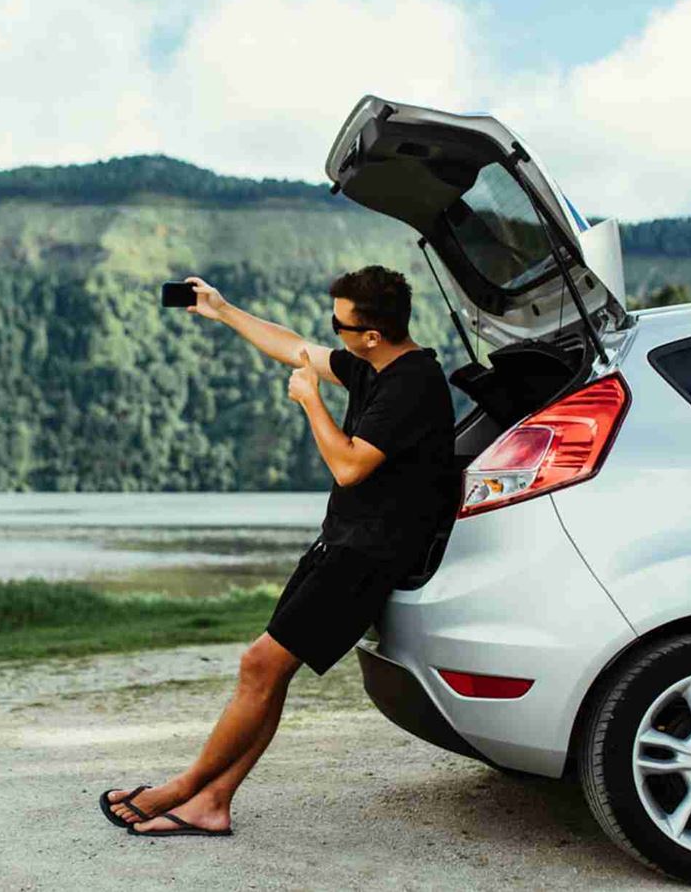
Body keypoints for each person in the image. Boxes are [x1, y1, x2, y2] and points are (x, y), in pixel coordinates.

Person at [101, 265, 459, 837]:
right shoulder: (375, 363)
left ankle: (181, 789)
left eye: (339, 324)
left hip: (366, 556)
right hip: (341, 543)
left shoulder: (411, 385)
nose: (331, 331)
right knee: (270, 672)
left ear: (372, 333)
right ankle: (213, 803)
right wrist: (222, 310)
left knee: (258, 665)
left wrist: (310, 402)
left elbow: (348, 466)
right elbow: (294, 348)